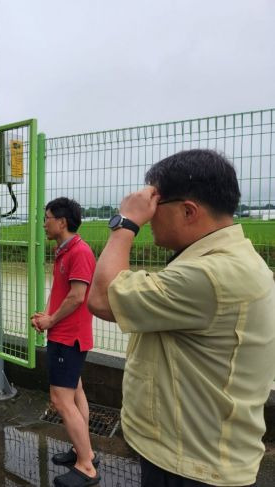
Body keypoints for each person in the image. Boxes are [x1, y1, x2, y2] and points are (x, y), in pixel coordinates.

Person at [88, 149, 275, 486]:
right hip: (200, 452)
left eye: (154, 207)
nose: (148, 217)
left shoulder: (211, 275)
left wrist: (125, 223)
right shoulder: (232, 259)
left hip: (191, 467)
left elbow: (101, 298)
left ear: (189, 211)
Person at [31, 197, 100, 487]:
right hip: (63, 332)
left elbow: (76, 297)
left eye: (47, 217)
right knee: (75, 393)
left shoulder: (79, 252)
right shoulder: (65, 250)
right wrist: (46, 315)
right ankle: (84, 452)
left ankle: (86, 467)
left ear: (62, 221)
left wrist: (51, 320)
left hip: (68, 336)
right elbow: (61, 292)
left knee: (61, 400)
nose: (44, 223)